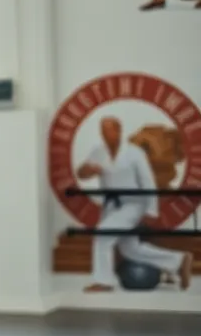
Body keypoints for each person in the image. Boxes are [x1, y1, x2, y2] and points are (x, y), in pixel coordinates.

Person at [78, 116, 191, 292]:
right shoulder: (98, 151)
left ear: (119, 130)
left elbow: (148, 182)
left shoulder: (134, 153)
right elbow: (81, 173)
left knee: (102, 236)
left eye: (110, 130)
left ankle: (104, 282)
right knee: (130, 249)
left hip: (133, 205)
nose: (106, 134)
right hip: (111, 207)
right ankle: (178, 260)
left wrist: (151, 210)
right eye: (103, 130)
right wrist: (88, 170)